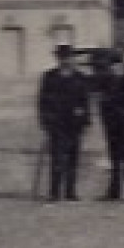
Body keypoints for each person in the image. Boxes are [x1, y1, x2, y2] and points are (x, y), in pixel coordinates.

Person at [36, 45, 92, 201]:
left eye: (68, 57)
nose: (66, 60)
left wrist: (85, 119)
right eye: (62, 57)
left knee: (73, 158)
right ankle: (54, 192)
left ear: (72, 59)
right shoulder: (49, 77)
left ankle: (70, 191)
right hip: (57, 124)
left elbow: (85, 101)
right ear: (58, 59)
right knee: (57, 158)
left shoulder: (80, 77)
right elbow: (42, 101)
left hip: (75, 124)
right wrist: (45, 120)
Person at [94, 52, 124, 201]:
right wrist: (105, 114)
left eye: (116, 65)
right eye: (111, 66)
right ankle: (114, 191)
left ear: (122, 65)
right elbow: (101, 100)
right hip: (110, 124)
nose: (113, 69)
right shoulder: (106, 81)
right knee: (114, 158)